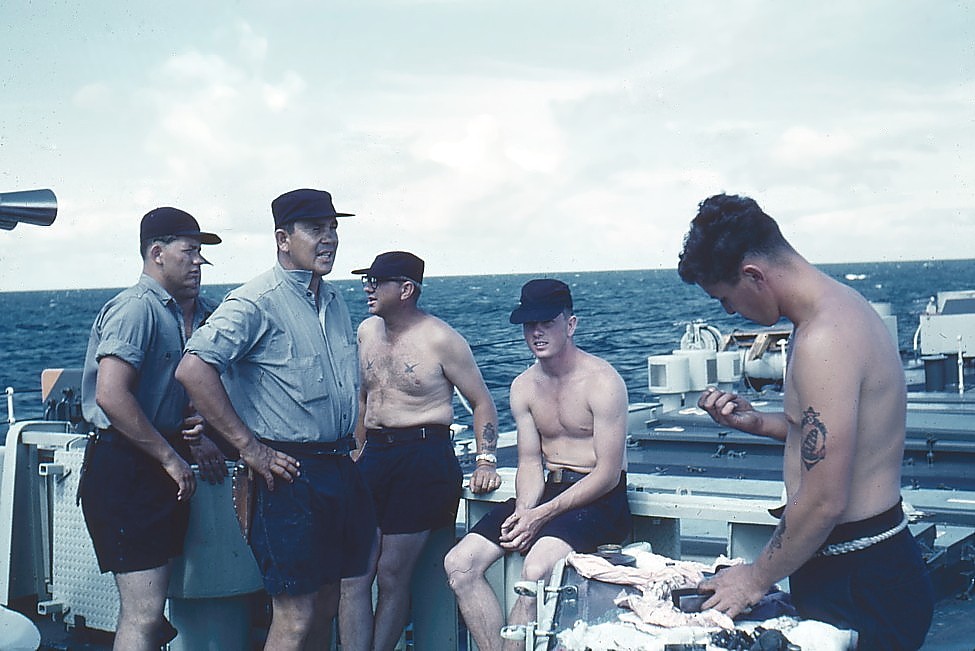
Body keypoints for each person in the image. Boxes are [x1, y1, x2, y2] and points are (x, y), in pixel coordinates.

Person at [678, 193, 933, 649]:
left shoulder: (824, 340)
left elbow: (824, 500)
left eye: (726, 299)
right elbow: (829, 435)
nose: (730, 313)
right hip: (850, 568)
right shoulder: (835, 309)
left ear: (753, 275)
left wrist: (753, 579)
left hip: (862, 580)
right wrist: (758, 423)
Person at [175, 188, 377, 651]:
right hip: (288, 474)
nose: (328, 239)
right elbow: (193, 369)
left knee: (328, 602)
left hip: (338, 469)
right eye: (315, 229)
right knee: (296, 612)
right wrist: (250, 448)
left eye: (333, 228)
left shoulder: (335, 302)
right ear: (283, 238)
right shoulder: (255, 302)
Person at [444, 279, 631, 651]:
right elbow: (530, 461)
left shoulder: (603, 381)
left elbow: (608, 474)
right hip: (548, 492)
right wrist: (526, 510)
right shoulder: (523, 386)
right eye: (530, 324)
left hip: (600, 498)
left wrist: (540, 515)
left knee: (536, 569)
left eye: (547, 322)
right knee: (459, 564)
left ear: (571, 324)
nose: (537, 332)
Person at [79, 207, 227, 650]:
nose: (199, 262)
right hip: (125, 470)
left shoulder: (205, 313)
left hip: (166, 466)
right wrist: (170, 457)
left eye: (202, 253)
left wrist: (203, 431)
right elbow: (111, 396)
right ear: (157, 253)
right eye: (190, 251)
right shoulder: (135, 310)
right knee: (144, 615)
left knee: (158, 611)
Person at [339, 251, 501, 651]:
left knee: (392, 574)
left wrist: (486, 459)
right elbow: (363, 397)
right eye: (367, 281)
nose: (368, 289)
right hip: (374, 455)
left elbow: (482, 402)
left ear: (407, 289)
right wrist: (358, 448)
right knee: (353, 574)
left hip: (423, 458)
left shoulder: (442, 339)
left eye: (377, 282)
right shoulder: (365, 332)